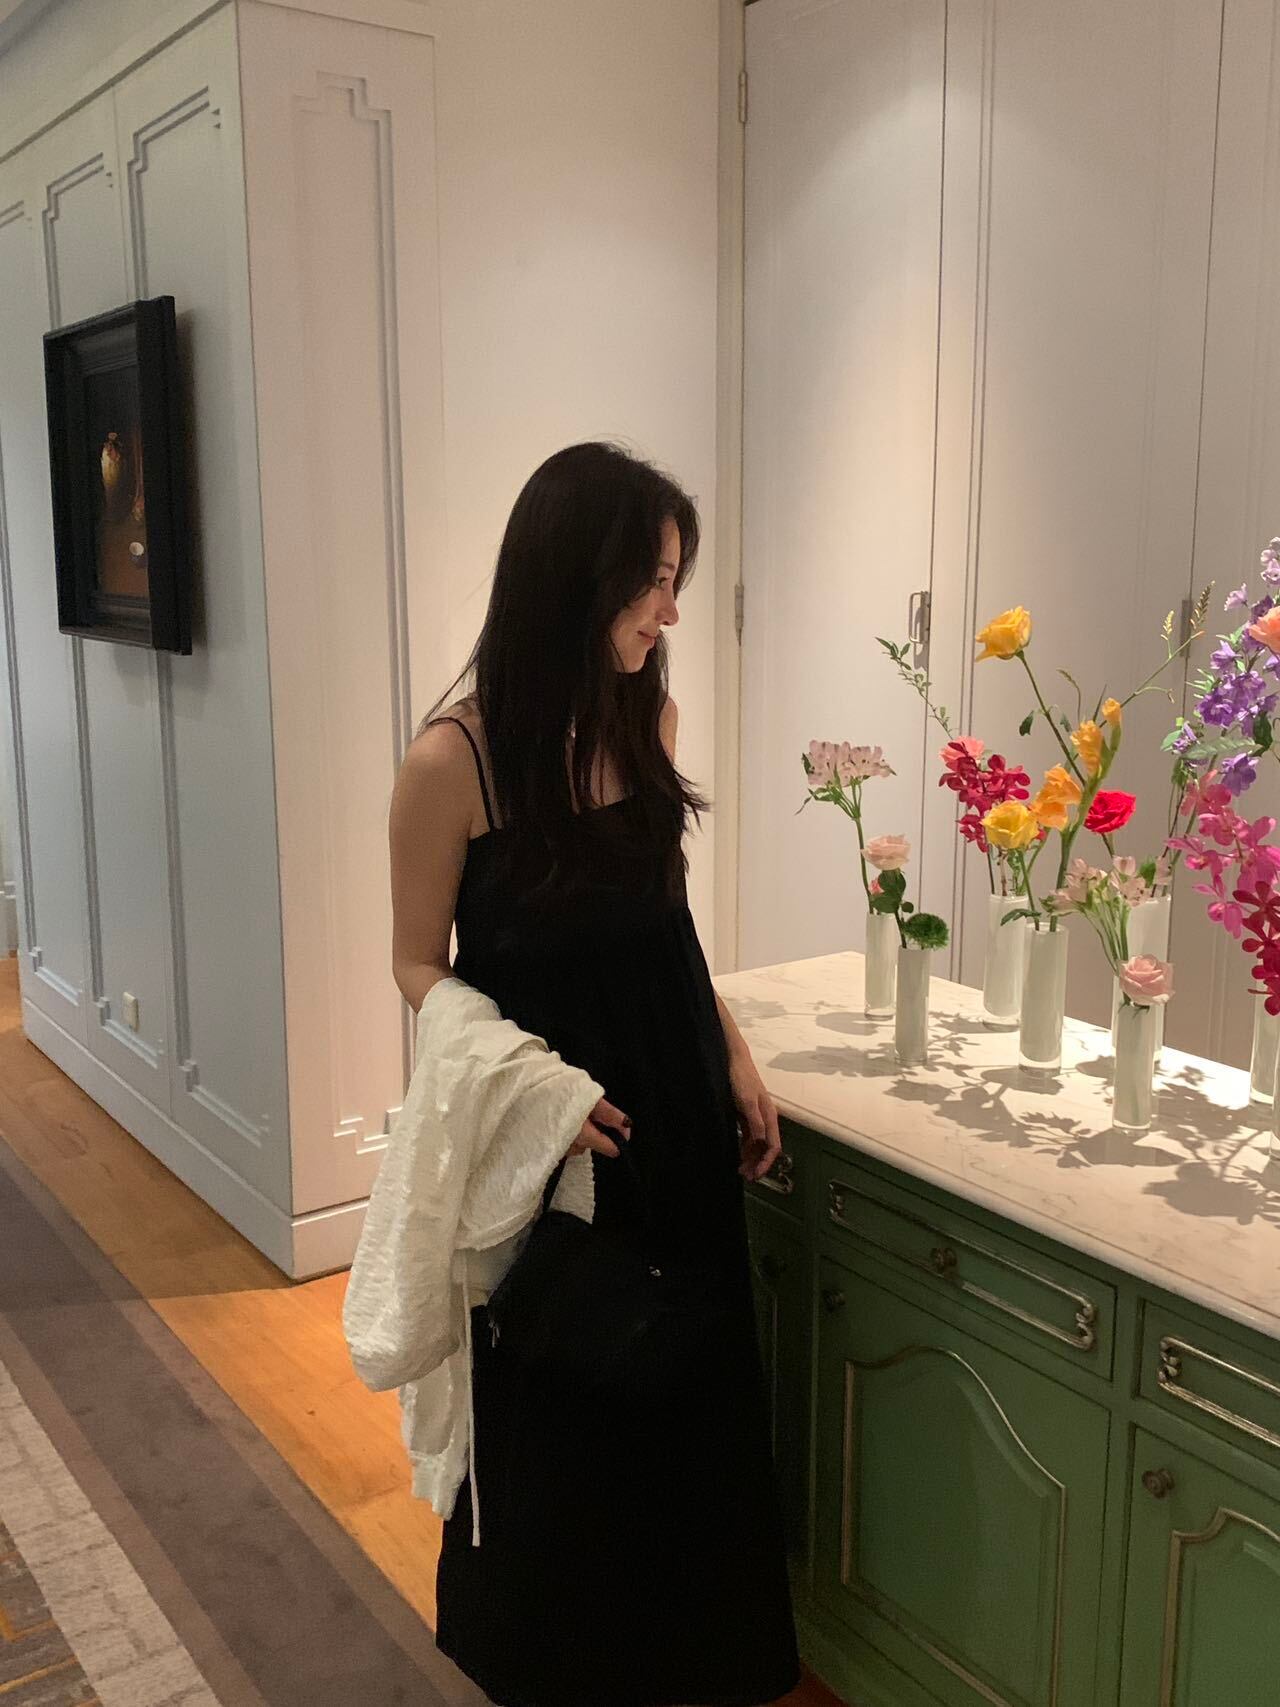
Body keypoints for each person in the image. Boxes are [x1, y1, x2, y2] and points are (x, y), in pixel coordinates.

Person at [388, 440, 802, 1707]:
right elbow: (415, 965)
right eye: (652, 582)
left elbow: (661, 925)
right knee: (560, 1405)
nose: (670, 612)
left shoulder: (646, 719)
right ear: (575, 579)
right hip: (555, 1142)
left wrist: (732, 1051)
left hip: (672, 1110)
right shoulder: (451, 763)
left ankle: (686, 1666)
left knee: (685, 1396)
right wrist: (533, 1096)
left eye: (676, 581)